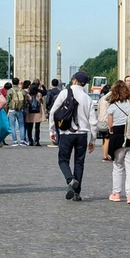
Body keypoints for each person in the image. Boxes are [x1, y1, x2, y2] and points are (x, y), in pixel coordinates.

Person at [50, 71, 96, 200]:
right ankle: (77, 193)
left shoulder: (64, 93)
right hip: (82, 135)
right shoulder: (88, 98)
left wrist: (52, 131)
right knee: (79, 163)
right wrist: (92, 140)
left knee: (63, 160)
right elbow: (93, 122)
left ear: (74, 80)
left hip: (66, 133)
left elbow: (53, 112)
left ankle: (70, 180)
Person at [102, 80, 130, 204]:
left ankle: (116, 193)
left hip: (117, 138)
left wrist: (112, 93)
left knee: (118, 167)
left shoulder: (112, 106)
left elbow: (110, 126)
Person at [4, 77, 27, 146]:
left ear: (12, 82)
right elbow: (25, 100)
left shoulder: (10, 91)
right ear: (18, 82)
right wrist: (23, 107)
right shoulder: (22, 90)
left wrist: (7, 108)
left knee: (12, 126)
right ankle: (22, 141)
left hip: (12, 110)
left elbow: (7, 100)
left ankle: (15, 141)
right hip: (20, 110)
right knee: (22, 125)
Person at [24, 81, 45, 146]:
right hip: (38, 112)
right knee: (37, 127)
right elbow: (42, 102)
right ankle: (37, 141)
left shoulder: (28, 95)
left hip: (30, 112)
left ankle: (30, 140)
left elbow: (26, 103)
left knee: (29, 127)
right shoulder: (39, 94)